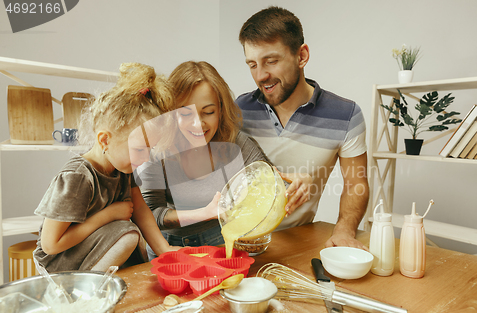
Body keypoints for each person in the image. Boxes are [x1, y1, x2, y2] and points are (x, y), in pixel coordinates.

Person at [137, 61, 311, 260]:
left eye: (208, 112)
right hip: (167, 245)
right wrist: (205, 212)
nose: (198, 124)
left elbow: (268, 183)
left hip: (218, 239)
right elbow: (152, 215)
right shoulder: (156, 150)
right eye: (185, 113)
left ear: (221, 110)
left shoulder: (235, 142)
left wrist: (298, 185)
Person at [236, 7, 369, 250]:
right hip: (240, 242)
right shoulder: (237, 112)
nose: (261, 75)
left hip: (297, 243)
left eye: (271, 61)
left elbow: (355, 184)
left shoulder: (347, 115)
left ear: (302, 56)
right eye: (252, 64)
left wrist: (344, 231)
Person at [33, 63, 181, 272]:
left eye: (150, 149)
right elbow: (50, 244)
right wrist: (107, 215)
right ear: (105, 140)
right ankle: (85, 293)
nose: (146, 158)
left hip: (93, 250)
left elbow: (140, 209)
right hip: (59, 265)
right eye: (140, 149)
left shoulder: (122, 168)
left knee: (132, 235)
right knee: (127, 233)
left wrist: (164, 249)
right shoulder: (78, 177)